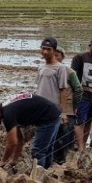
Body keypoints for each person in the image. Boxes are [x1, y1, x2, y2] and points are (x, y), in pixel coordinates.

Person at [0, 93, 62, 170]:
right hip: (53, 112)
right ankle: (48, 172)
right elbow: (19, 139)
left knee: (38, 151)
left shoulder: (7, 115)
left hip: (49, 118)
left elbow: (12, 143)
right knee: (47, 148)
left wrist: (3, 161)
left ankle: (39, 177)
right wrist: (13, 160)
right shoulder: (5, 107)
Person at [35, 37, 68, 165]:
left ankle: (40, 173)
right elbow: (39, 88)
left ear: (54, 51)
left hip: (52, 111)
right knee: (47, 145)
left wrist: (63, 112)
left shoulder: (60, 68)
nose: (45, 52)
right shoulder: (41, 68)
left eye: (48, 49)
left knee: (42, 148)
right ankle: (46, 172)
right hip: (40, 110)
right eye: (43, 49)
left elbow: (63, 91)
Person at [53, 47, 83, 165]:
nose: (55, 58)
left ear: (63, 57)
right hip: (53, 109)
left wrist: (75, 105)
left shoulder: (69, 72)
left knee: (66, 139)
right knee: (54, 138)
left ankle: (66, 164)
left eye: (58, 55)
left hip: (68, 110)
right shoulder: (48, 71)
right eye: (53, 55)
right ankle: (54, 162)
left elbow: (79, 89)